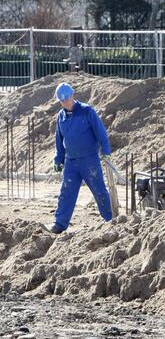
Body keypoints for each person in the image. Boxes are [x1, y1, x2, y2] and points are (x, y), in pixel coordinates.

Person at [46, 83, 113, 234]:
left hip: (89, 160)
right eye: (63, 101)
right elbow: (59, 140)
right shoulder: (61, 117)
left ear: (73, 95)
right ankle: (60, 224)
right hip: (71, 162)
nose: (66, 103)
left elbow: (101, 132)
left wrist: (106, 150)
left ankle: (110, 220)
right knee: (66, 192)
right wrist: (58, 159)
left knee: (99, 191)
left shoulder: (87, 111)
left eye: (68, 99)